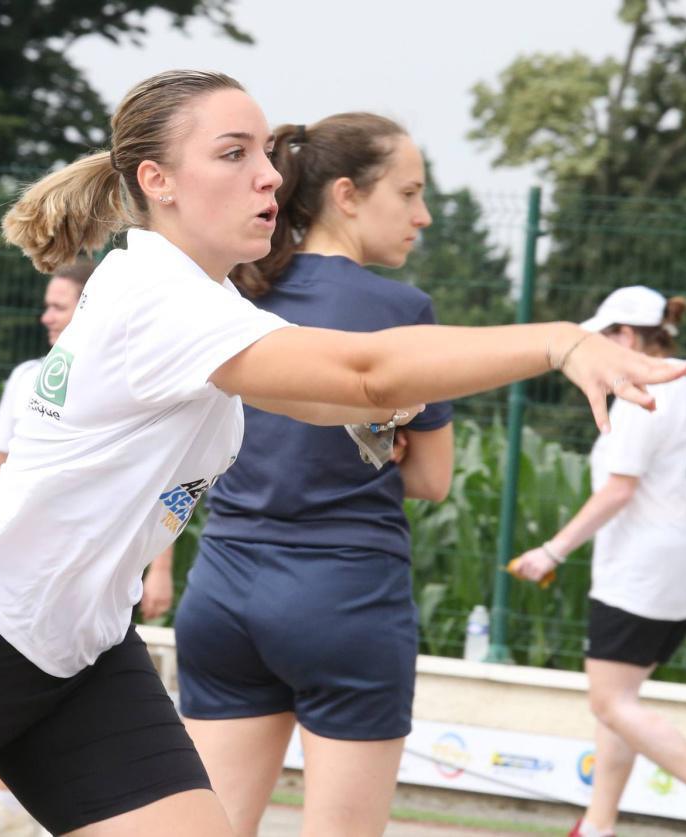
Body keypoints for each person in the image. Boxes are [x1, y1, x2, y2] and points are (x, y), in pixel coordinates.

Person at [0, 71, 686, 837]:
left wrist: (362, 409)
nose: (269, 174)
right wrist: (562, 341)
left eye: (267, 155)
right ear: (158, 181)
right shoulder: (156, 295)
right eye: (233, 154)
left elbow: (327, 394)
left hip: (77, 654)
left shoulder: (208, 308)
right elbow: (362, 374)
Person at [174, 112, 454, 837]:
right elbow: (433, 479)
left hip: (222, 592)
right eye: (410, 192)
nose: (422, 215)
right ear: (347, 195)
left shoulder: (236, 290)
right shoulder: (401, 310)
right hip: (345, 597)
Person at [510, 286, 686, 837]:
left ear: (625, 338)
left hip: (641, 572)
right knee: (620, 703)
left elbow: (619, 491)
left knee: (609, 701)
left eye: (601, 338)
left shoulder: (644, 395)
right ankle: (597, 825)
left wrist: (550, 550)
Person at [0, 259, 172, 837]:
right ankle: (10, 806)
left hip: (87, 575)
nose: (46, 314)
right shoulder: (29, 376)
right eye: (47, 304)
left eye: (59, 304)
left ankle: (23, 808)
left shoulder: (126, 374)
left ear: (88, 308)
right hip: (16, 565)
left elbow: (167, 485)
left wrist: (161, 569)